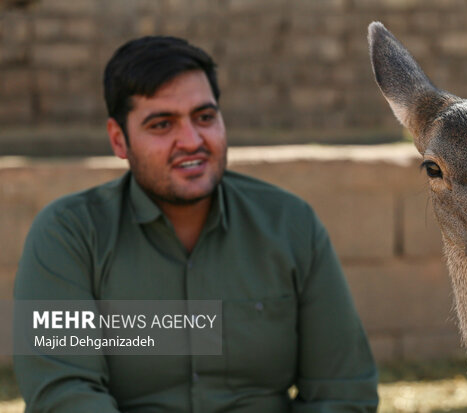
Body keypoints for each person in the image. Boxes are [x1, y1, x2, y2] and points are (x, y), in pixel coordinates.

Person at [13, 36, 379, 412]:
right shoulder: (68, 235)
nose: (191, 141)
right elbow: (62, 394)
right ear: (119, 140)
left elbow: (344, 393)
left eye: (205, 118)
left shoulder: (290, 225)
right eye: (161, 124)